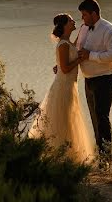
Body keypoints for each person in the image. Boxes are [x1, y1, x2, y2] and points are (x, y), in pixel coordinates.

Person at [28, 13, 97, 164]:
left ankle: (67, 155)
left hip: (69, 85)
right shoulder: (64, 44)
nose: (74, 22)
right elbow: (65, 68)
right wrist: (79, 59)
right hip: (63, 85)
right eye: (71, 20)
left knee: (68, 118)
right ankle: (59, 157)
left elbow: (65, 59)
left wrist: (83, 30)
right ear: (65, 25)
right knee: (63, 119)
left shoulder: (68, 42)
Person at [76, 0, 112, 155]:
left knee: (102, 116)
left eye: (84, 15)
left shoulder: (109, 30)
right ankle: (102, 154)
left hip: (106, 79)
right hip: (89, 80)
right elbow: (77, 49)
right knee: (94, 118)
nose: (82, 18)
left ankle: (107, 155)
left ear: (93, 14)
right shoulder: (83, 28)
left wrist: (91, 56)